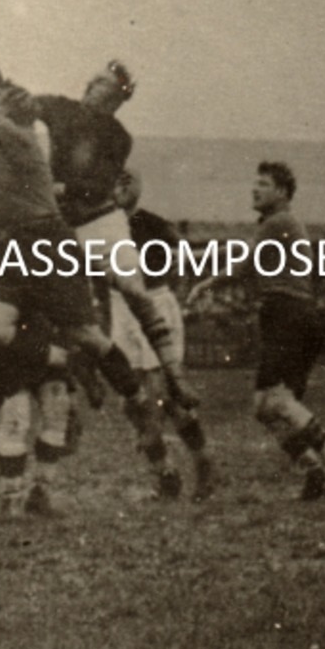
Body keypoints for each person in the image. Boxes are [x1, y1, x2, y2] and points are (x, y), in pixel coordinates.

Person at [0, 38, 146, 408]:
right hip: (18, 244)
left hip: (46, 241)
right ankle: (67, 360)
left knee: (89, 334)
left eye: (0, 105)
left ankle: (138, 396)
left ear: (10, 112)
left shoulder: (18, 138)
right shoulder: (13, 138)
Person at [28, 60, 195, 409]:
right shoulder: (60, 107)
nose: (95, 84)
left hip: (102, 221)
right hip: (64, 228)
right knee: (66, 312)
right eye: (97, 79)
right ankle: (85, 370)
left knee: (134, 289)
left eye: (107, 83)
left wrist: (59, 188)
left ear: (120, 98)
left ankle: (174, 373)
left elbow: (98, 185)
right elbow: (21, 103)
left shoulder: (118, 137)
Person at [192, 162, 325, 500]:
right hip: (291, 313)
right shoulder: (281, 224)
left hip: (287, 314)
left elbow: (246, 264)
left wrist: (207, 281)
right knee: (268, 406)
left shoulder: (278, 221)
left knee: (273, 401)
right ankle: (315, 470)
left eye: (263, 184)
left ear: (282, 192)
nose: (254, 189)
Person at [111, 169, 214, 500]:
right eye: (116, 182)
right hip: (120, 308)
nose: (120, 189)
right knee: (132, 399)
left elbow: (184, 253)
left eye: (127, 183)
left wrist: (177, 290)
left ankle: (200, 467)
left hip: (154, 304)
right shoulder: (103, 225)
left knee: (159, 394)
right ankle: (168, 473)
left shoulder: (151, 223)